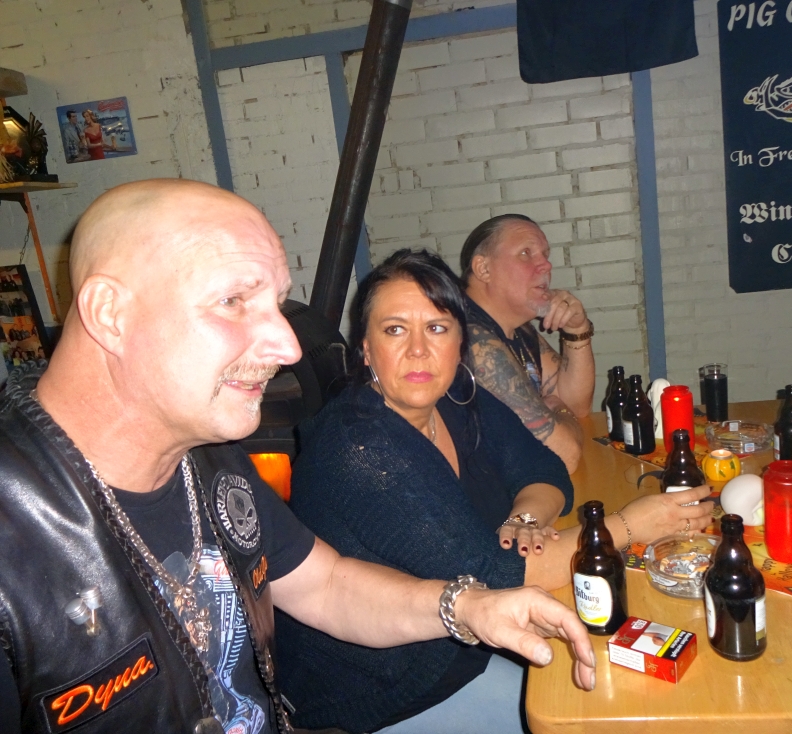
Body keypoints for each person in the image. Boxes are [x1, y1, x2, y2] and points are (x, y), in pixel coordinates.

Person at [0, 180, 596, 734]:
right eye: (234, 300)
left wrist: (465, 607)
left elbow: (326, 586)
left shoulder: (212, 463)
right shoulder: (14, 536)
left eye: (278, 304)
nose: (287, 345)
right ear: (110, 312)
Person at [276, 249, 713, 734]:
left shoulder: (457, 397)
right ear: (365, 348)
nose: (418, 350)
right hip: (388, 689)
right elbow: (494, 576)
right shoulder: (358, 447)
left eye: (437, 328)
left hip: (468, 643)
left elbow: (543, 467)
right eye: (395, 329)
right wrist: (634, 524)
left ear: (460, 343)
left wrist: (525, 520)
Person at [461, 215, 595, 473]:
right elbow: (563, 456)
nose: (546, 265)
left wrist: (577, 329)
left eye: (545, 255)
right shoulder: (473, 340)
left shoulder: (517, 329)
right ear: (484, 269)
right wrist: (560, 411)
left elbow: (576, 403)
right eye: (526, 253)